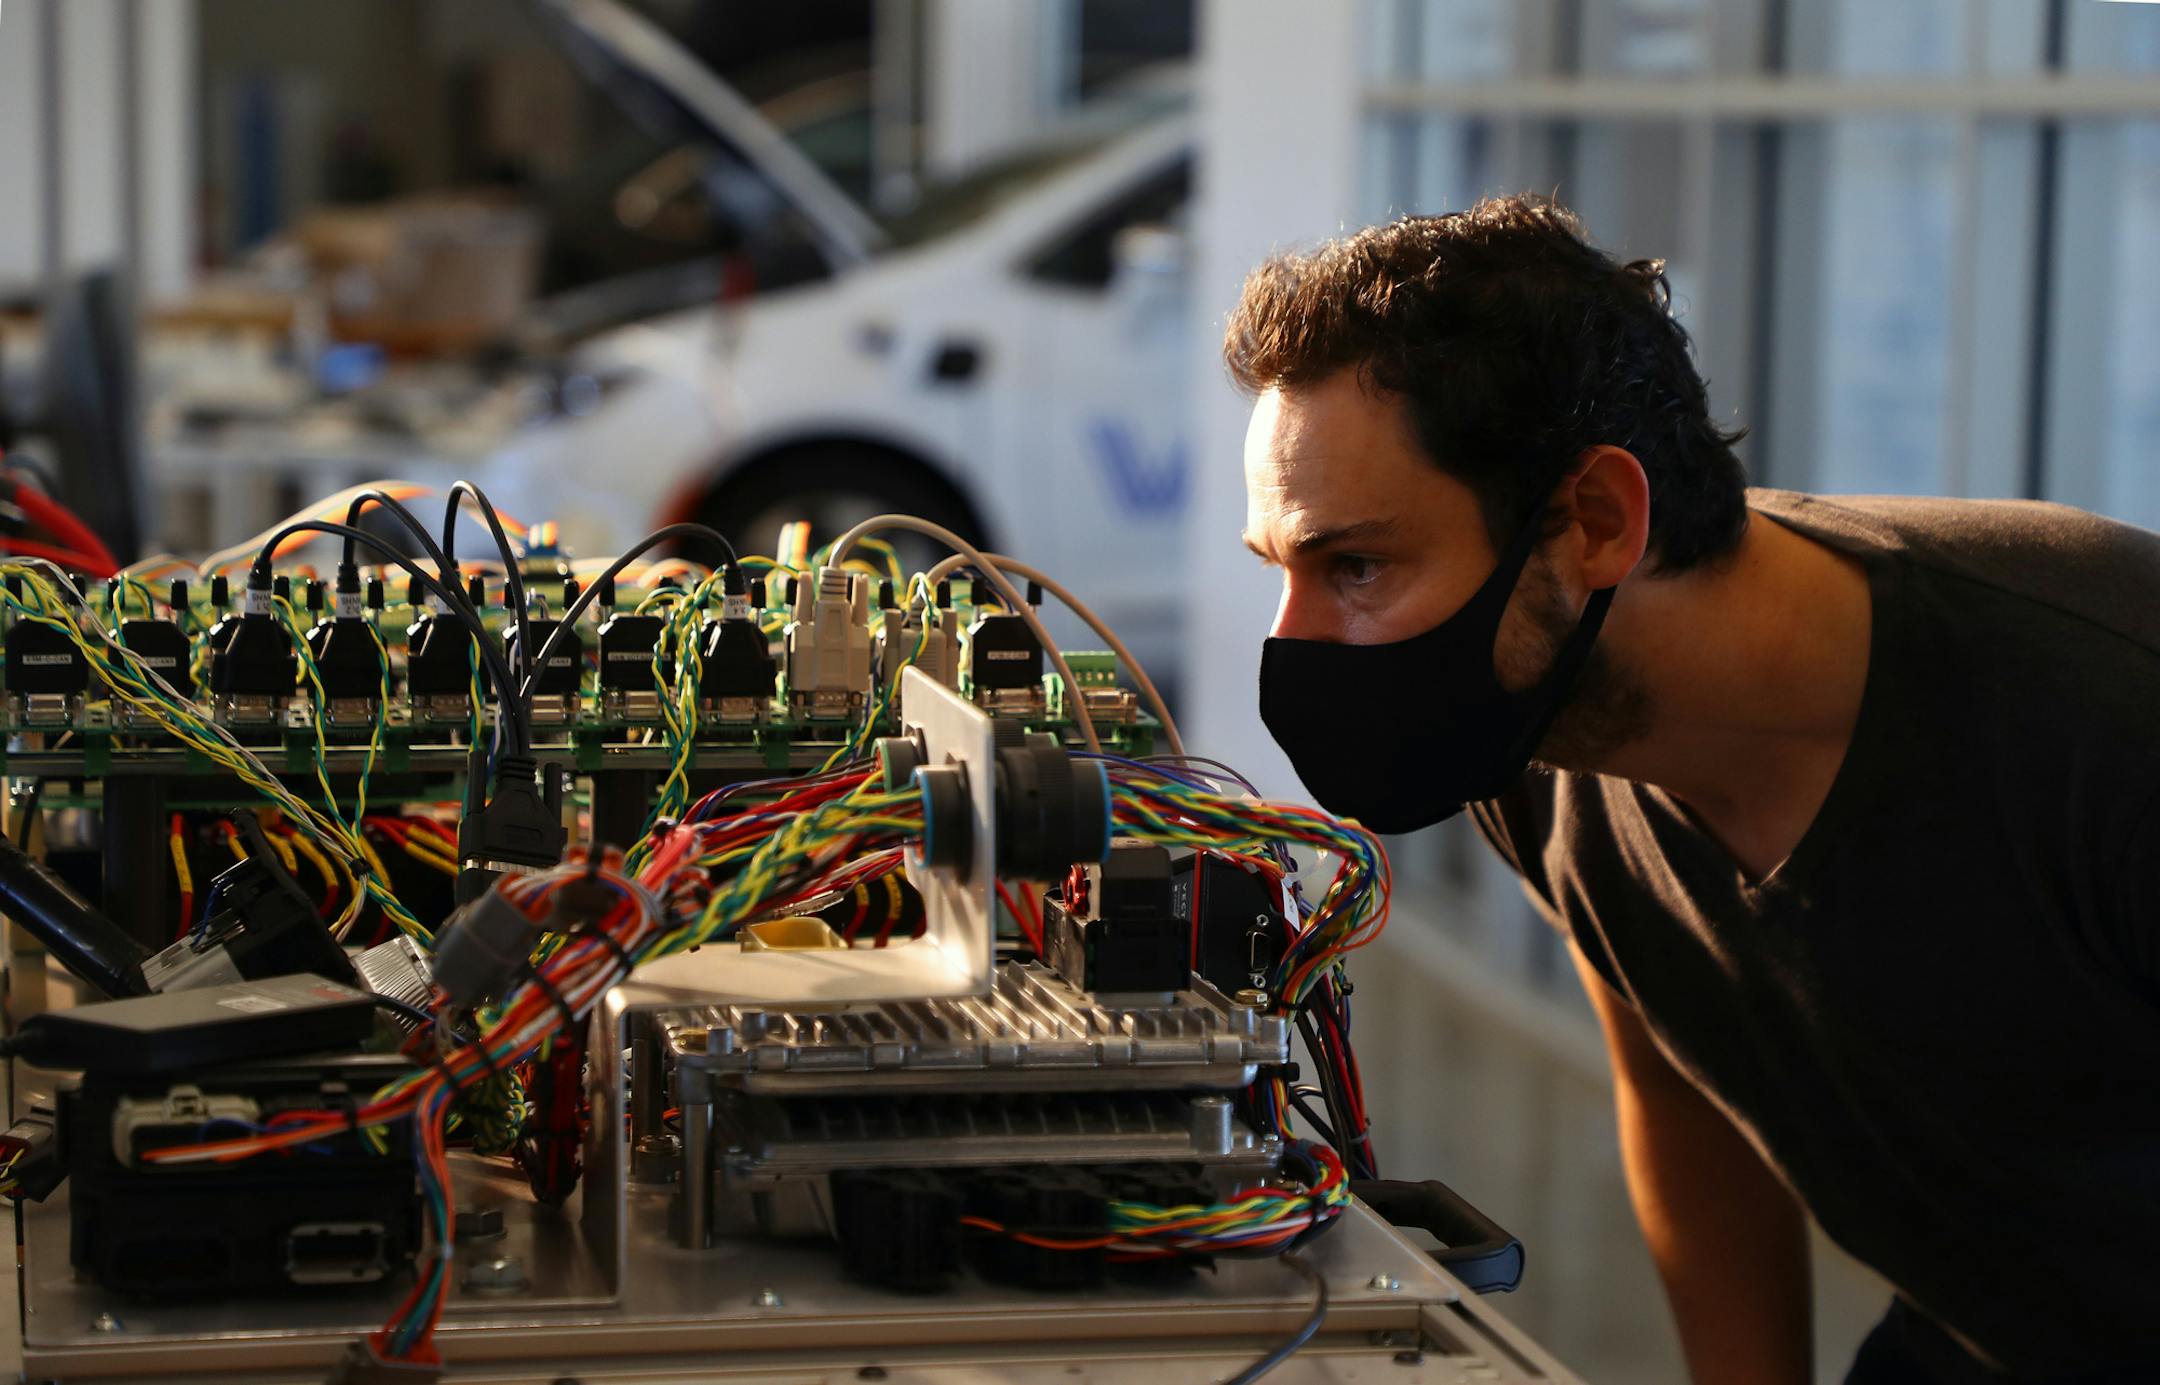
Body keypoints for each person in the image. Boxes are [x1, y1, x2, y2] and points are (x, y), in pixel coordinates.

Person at [1226, 195, 2160, 1385]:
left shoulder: (2107, 721)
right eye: (1284, 570)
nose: (1297, 640)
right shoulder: (1532, 731)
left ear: (1600, 520)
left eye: (1356, 564)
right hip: (1982, 1334)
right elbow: (1678, 1081)